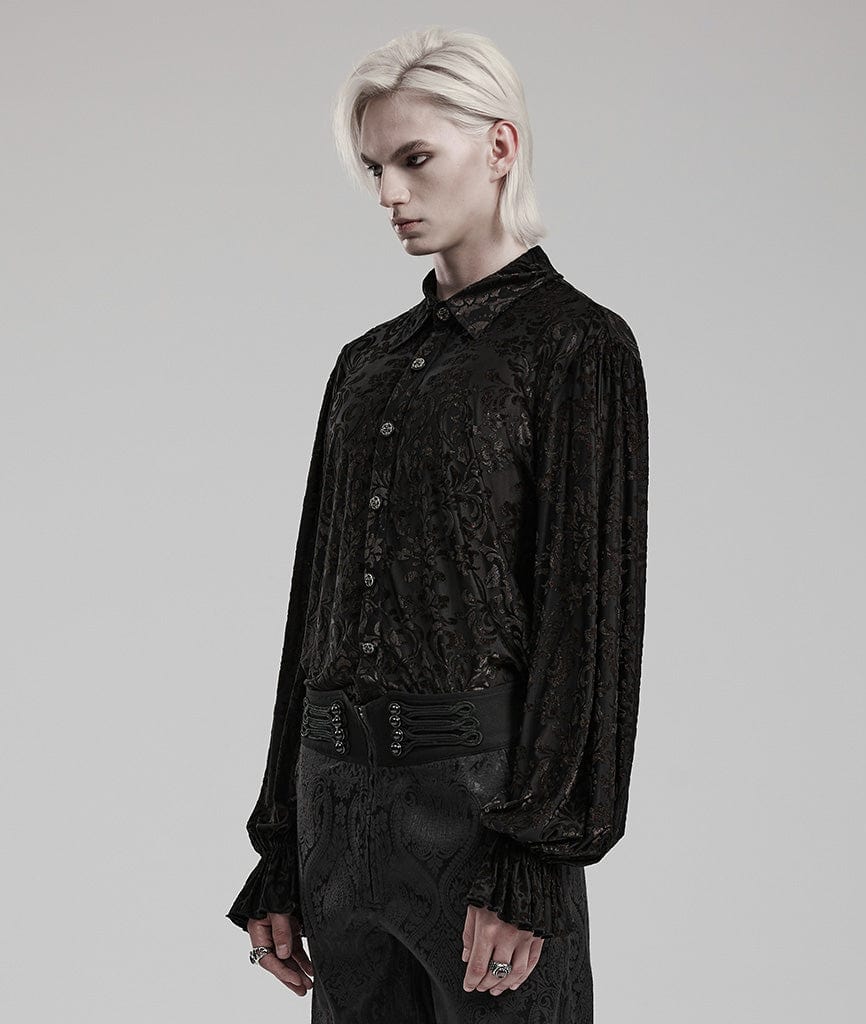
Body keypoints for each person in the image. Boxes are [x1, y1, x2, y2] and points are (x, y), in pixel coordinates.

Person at [225, 25, 649, 1023]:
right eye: (376, 167)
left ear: (499, 147)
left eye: (415, 158)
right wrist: (281, 845)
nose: (390, 193)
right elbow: (313, 607)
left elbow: (588, 621)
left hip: (479, 810)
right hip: (335, 807)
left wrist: (532, 857)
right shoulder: (364, 364)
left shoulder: (577, 347)